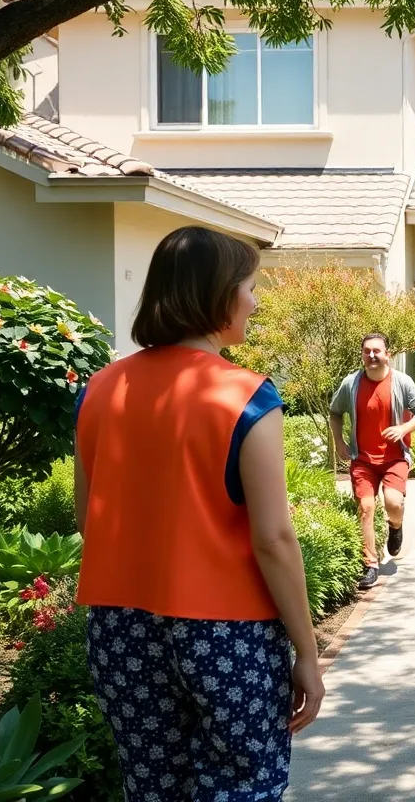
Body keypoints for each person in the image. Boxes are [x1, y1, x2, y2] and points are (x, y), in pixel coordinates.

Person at [74, 226, 323, 801]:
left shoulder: (99, 388)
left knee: (151, 788)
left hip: (120, 629)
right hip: (227, 633)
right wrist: (307, 653)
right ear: (219, 296)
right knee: (241, 786)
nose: (255, 302)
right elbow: (274, 539)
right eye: (250, 287)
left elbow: (89, 519)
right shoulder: (247, 396)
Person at [330, 332, 415, 590]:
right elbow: (335, 412)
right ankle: (371, 565)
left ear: (388, 354)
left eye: (377, 350)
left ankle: (395, 525)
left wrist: (404, 429)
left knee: (393, 502)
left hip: (394, 457)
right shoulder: (351, 383)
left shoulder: (401, 382)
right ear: (363, 355)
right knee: (366, 507)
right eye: (367, 351)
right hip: (362, 460)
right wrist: (340, 443)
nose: (372, 355)